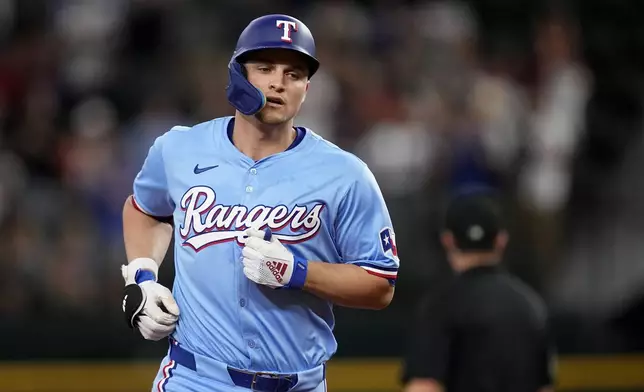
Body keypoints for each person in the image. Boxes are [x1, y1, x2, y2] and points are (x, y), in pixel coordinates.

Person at [120, 14, 400, 392]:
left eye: (294, 74)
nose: (278, 83)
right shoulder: (179, 149)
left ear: (307, 87)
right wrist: (143, 276)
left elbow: (379, 284)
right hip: (195, 377)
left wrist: (297, 272)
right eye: (265, 67)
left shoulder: (345, 173)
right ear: (238, 74)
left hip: (297, 383)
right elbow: (144, 209)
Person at [401, 191, 555, 392]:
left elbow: (424, 386)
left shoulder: (440, 305)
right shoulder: (531, 306)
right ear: (501, 240)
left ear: (448, 240)